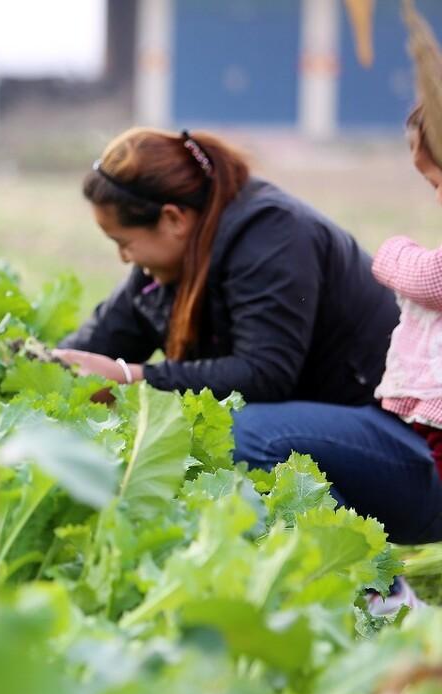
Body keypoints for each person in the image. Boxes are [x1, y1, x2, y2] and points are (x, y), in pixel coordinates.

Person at [52, 126, 442, 550]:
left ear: (172, 218)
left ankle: (365, 589)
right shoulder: (171, 266)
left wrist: (131, 378)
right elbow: (97, 345)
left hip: (417, 457)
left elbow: (263, 374)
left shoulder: (271, 234)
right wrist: (37, 365)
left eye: (123, 242)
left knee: (242, 435)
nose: (124, 257)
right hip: (356, 451)